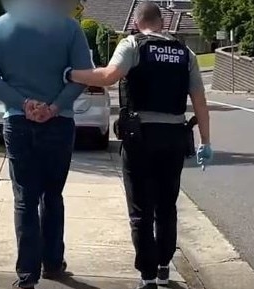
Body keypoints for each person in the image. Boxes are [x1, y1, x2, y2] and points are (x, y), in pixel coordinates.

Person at [64, 2, 212, 289]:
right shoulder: (185, 52)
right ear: (161, 22)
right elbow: (200, 101)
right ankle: (163, 267)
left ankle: (146, 277)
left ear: (136, 20)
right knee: (167, 207)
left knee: (141, 209)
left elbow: (108, 77)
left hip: (140, 137)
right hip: (173, 137)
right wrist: (206, 141)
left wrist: (72, 74)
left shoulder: (132, 44)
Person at [0, 1, 93, 288]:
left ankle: (27, 274)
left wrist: (23, 103)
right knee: (53, 195)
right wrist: (54, 107)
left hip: (18, 123)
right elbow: (83, 75)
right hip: (59, 121)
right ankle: (53, 263)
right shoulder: (69, 28)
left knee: (24, 199)